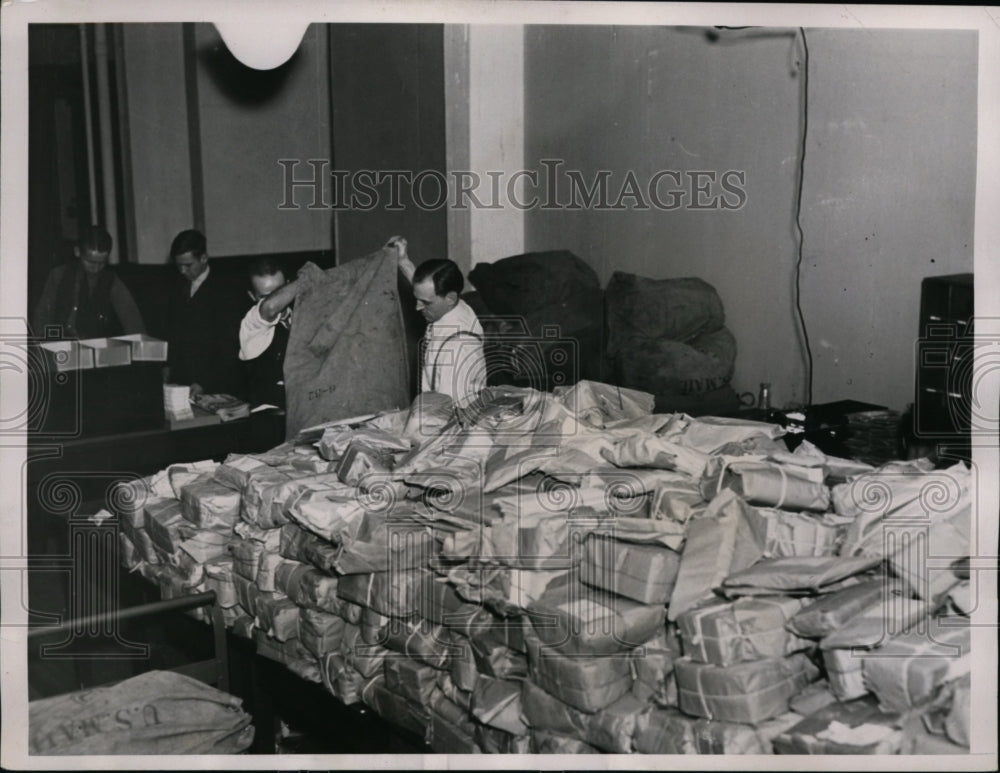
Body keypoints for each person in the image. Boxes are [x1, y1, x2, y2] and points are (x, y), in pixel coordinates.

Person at [388, 236, 486, 407]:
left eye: (425, 303)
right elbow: (426, 291)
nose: (418, 307)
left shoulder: (457, 349)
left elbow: (447, 411)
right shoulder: (455, 307)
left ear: (450, 298)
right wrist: (403, 261)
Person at [165, 229, 246, 398]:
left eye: (188, 265)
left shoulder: (225, 291)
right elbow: (173, 335)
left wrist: (204, 382)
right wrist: (168, 369)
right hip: (182, 381)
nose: (182, 271)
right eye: (178, 265)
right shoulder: (176, 286)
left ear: (203, 258)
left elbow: (229, 347)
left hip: (214, 384)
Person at [32, 225, 145, 339]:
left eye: (101, 263)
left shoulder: (111, 280)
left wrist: (140, 346)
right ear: (77, 252)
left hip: (93, 346)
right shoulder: (58, 275)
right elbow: (42, 316)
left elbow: (131, 316)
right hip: (58, 344)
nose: (96, 269)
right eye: (90, 262)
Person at [239, 257, 302, 410]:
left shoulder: (299, 314)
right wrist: (306, 279)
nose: (276, 299)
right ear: (252, 296)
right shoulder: (251, 323)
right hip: (270, 417)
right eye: (265, 296)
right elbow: (270, 307)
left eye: (279, 292)